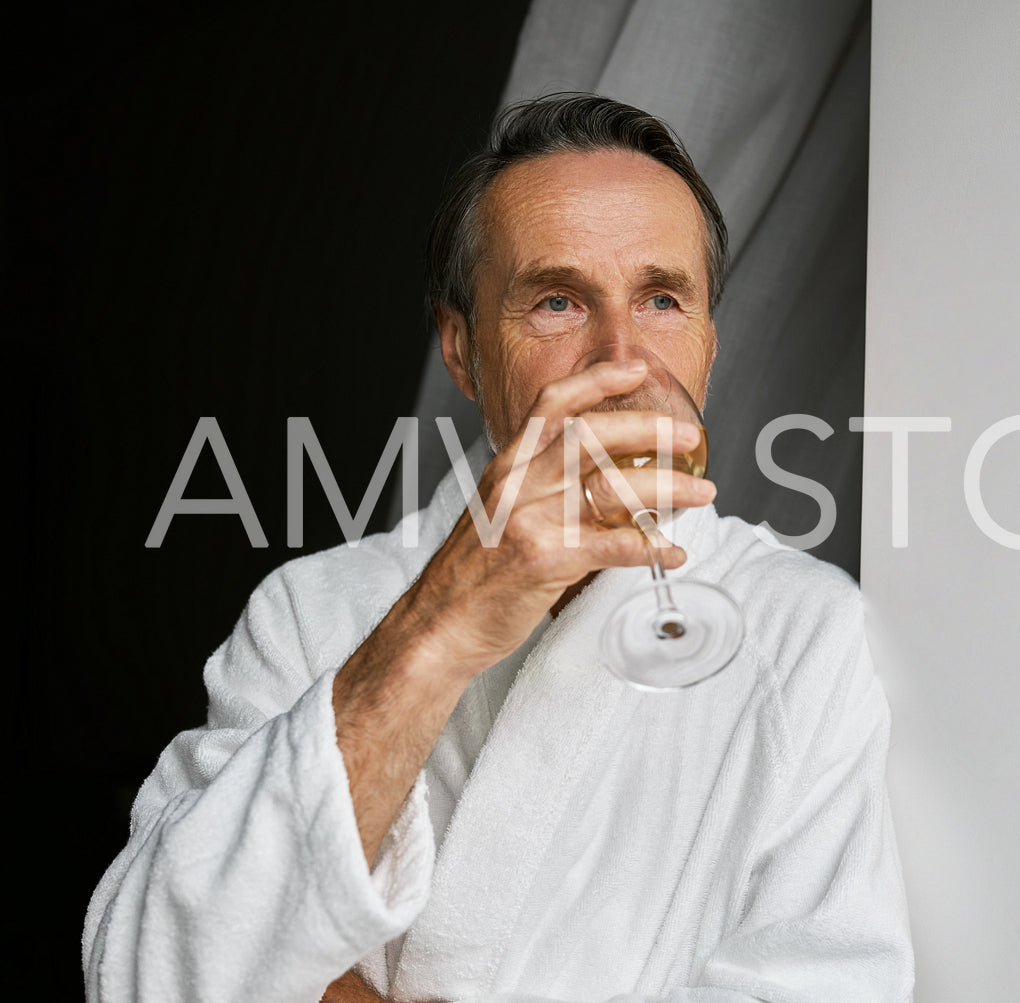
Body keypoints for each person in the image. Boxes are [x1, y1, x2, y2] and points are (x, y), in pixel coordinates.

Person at [83, 93, 913, 1003]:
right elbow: (148, 971)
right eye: (557, 301)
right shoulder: (311, 612)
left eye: (662, 298)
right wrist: (440, 627)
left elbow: (826, 985)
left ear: (710, 344)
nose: (622, 358)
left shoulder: (803, 631)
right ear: (463, 348)